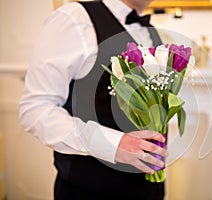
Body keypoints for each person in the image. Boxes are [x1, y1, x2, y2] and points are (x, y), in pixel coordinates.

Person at [18, 0, 168, 199]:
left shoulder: (152, 32)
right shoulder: (74, 19)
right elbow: (35, 108)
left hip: (149, 191)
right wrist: (112, 144)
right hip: (89, 191)